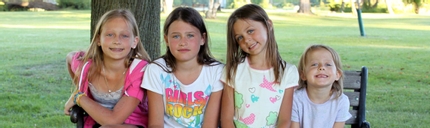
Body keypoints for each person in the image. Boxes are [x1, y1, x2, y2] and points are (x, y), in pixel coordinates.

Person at [63, 9, 151, 128]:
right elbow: (70, 57)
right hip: (96, 122)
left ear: (134, 42)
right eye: (110, 34)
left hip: (133, 123)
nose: (117, 41)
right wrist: (77, 88)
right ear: (99, 39)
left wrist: (79, 97)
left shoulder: (139, 72)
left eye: (124, 36)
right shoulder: (87, 67)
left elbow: (113, 121)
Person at [140, 7, 223, 128]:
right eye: (176, 36)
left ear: (203, 39)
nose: (183, 42)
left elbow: (210, 125)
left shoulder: (216, 71)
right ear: (166, 40)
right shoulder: (156, 70)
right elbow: (155, 124)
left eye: (190, 35)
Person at [220, 4, 299, 128]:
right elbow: (226, 119)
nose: (246, 40)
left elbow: (284, 120)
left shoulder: (288, 72)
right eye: (240, 37)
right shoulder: (233, 70)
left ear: (268, 25)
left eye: (250, 31)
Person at [291, 44, 352, 128]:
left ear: (337, 74)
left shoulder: (341, 101)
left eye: (328, 64)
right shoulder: (295, 99)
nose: (321, 67)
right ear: (303, 75)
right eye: (314, 64)